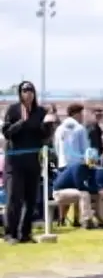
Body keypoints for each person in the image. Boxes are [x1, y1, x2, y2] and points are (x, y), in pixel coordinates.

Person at [1, 81, 52, 243]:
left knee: (31, 198)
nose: (28, 93)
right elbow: (7, 133)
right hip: (15, 160)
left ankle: (25, 233)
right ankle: (10, 233)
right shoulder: (13, 110)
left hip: (33, 160)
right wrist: (21, 123)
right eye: (24, 90)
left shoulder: (40, 112)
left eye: (30, 90)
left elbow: (45, 136)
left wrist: (49, 123)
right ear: (20, 93)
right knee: (14, 197)